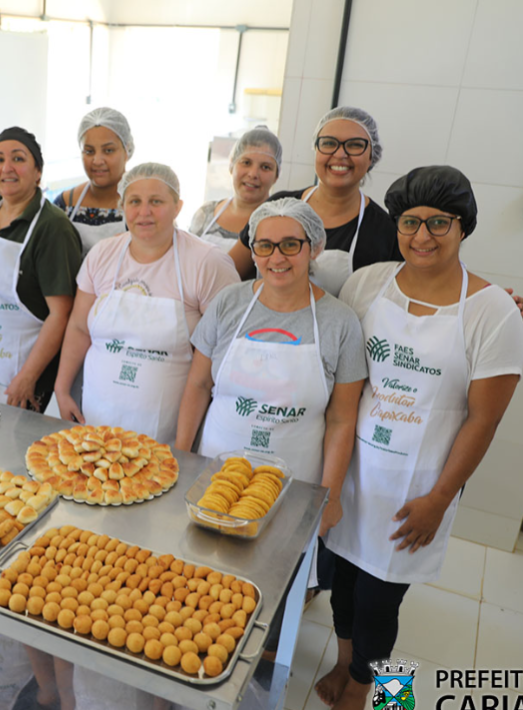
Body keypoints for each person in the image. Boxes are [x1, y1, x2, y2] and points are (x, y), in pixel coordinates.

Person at [316, 166, 523, 710]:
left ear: (463, 227)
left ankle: (371, 691)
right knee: (343, 588)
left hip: (418, 488)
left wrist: (439, 498)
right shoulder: (368, 284)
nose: (422, 236)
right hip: (353, 474)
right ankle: (344, 663)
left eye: (439, 222)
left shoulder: (493, 312)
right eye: (410, 222)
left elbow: (484, 419)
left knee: (381, 602)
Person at [176, 198, 365, 530]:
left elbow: (341, 420)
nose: (276, 258)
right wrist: (181, 457)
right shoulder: (228, 302)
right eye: (264, 245)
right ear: (253, 251)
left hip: (296, 481)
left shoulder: (340, 321)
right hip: (214, 472)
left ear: (314, 248)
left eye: (290, 245)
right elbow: (198, 384)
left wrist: (331, 497)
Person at [54, 162, 238, 444]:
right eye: (135, 201)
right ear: (122, 206)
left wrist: (185, 445)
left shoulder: (207, 263)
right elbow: (79, 327)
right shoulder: (102, 255)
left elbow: (223, 353)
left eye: (156, 202)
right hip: (94, 423)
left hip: (167, 433)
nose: (144, 212)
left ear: (178, 207)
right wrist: (62, 388)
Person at [0, 126, 82, 411]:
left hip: (27, 375)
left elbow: (61, 313)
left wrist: (28, 376)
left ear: (38, 172)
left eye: (18, 159)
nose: (7, 168)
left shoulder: (52, 227)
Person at [246, 107, 400, 294]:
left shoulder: (385, 232)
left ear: (371, 156)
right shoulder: (278, 207)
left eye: (355, 145)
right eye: (328, 143)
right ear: (316, 150)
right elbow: (232, 270)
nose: (340, 154)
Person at [192, 126, 281, 263]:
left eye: (265, 167)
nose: (253, 174)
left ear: (276, 176)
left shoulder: (280, 223)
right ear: (232, 166)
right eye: (246, 162)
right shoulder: (205, 213)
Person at [53, 107, 133, 257]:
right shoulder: (65, 204)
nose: (97, 161)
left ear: (127, 150)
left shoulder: (142, 204)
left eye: (108, 150)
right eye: (89, 151)